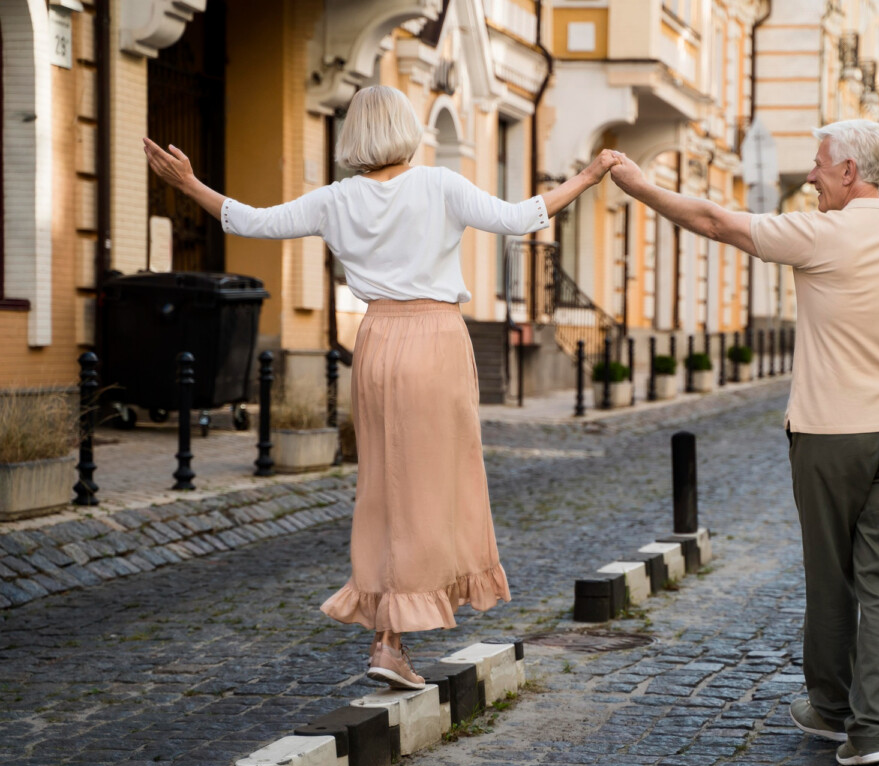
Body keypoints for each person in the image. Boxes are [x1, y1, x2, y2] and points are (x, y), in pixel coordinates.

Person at [145, 85, 616, 690]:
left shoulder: (337, 200)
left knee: (386, 487)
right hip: (436, 338)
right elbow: (521, 217)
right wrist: (590, 173)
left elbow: (253, 222)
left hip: (376, 341)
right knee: (436, 485)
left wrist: (189, 184)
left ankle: (389, 634)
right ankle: (391, 638)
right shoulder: (439, 185)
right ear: (406, 128)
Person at [608, 119, 879, 766]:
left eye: (820, 165)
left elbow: (716, 222)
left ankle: (830, 709)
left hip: (831, 433)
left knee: (832, 579)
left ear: (850, 172)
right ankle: (871, 733)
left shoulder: (820, 234)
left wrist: (637, 183)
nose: (810, 176)